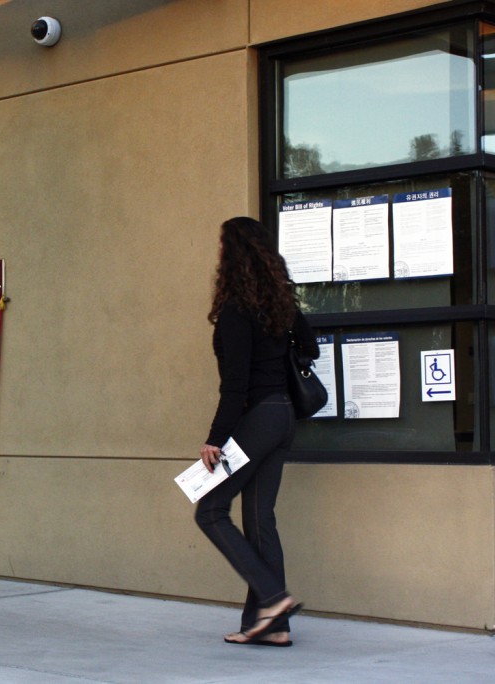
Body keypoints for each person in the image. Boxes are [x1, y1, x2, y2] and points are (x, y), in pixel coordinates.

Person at [194, 216, 318, 647]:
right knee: (260, 520)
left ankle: (273, 597)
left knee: (209, 510)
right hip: (284, 417)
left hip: (258, 419)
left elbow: (236, 386)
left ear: (232, 257)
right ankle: (271, 626)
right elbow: (310, 346)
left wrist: (215, 438)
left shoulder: (235, 310)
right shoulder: (282, 305)